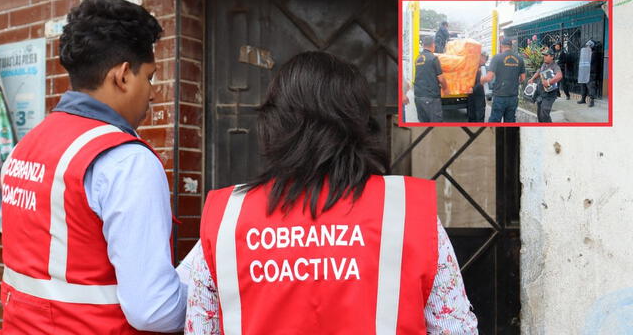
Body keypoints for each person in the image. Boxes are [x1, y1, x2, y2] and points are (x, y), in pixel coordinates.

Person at [184, 51, 478, 334]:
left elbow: (200, 327)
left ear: (275, 122)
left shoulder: (228, 220)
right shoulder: (405, 213)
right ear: (358, 122)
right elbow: (455, 327)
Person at [0, 0, 187, 334]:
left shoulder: (26, 146)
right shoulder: (127, 161)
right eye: (150, 76)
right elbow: (154, 311)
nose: (153, 93)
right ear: (123, 76)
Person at [482, 38, 526, 123]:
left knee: (495, 121)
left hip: (500, 96)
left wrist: (479, 80)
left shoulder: (497, 58)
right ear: (511, 46)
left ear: (501, 46)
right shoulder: (520, 59)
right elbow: (523, 78)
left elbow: (489, 77)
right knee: (510, 121)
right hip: (513, 96)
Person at [414, 35, 447, 122]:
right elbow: (441, 78)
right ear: (433, 45)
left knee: (423, 123)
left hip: (418, 97)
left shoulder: (418, 58)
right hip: (430, 97)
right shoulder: (433, 58)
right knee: (436, 125)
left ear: (423, 45)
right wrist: (446, 89)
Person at [528, 49, 563, 123]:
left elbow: (559, 76)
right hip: (541, 93)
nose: (544, 57)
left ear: (552, 57)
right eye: (544, 55)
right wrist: (532, 79)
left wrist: (549, 82)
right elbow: (539, 71)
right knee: (540, 115)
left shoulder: (555, 66)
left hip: (549, 95)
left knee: (544, 114)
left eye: (546, 55)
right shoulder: (544, 64)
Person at [467, 52, 489, 122]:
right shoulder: (473, 67)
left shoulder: (485, 69)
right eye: (481, 57)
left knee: (479, 116)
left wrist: (473, 89)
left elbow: (482, 83)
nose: (482, 59)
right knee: (471, 115)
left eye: (484, 58)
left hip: (479, 95)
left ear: (486, 60)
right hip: (471, 95)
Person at [577, 40, 598, 107]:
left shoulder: (594, 53)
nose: (587, 47)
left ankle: (592, 101)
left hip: (591, 72)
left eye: (588, 46)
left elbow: (591, 63)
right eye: (586, 46)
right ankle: (583, 99)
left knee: (591, 86)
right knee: (583, 85)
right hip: (584, 71)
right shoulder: (585, 53)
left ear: (591, 46)